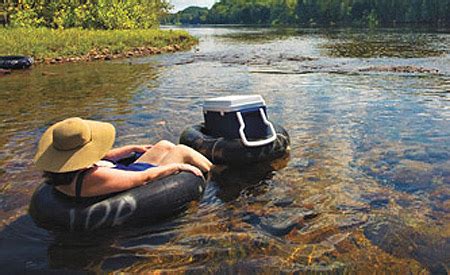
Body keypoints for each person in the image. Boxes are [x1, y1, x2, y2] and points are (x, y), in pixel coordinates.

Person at [34, 117, 212, 200]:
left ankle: (209, 167)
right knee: (180, 150)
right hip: (142, 180)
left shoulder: (64, 171)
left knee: (165, 144)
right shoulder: (93, 177)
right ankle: (216, 172)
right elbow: (145, 177)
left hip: (126, 172)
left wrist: (133, 148)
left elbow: (103, 156)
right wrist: (177, 167)